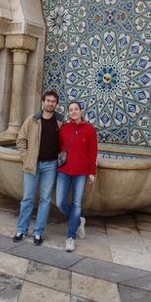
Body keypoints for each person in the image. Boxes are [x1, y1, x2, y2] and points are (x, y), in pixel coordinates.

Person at [13, 90, 63, 245]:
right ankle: (21, 230)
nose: (50, 103)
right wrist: (25, 157)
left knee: (45, 199)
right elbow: (21, 140)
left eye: (53, 101)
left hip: (51, 165)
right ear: (42, 102)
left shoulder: (61, 122)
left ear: (56, 104)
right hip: (32, 165)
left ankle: (38, 232)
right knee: (27, 198)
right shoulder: (32, 120)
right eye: (48, 100)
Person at [56, 101, 98, 252]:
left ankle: (70, 237)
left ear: (81, 111)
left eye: (76, 109)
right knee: (60, 202)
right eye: (71, 110)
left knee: (77, 204)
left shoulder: (90, 130)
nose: (73, 112)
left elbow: (92, 153)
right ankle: (78, 220)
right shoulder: (65, 128)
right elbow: (59, 146)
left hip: (81, 172)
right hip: (64, 171)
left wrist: (91, 172)